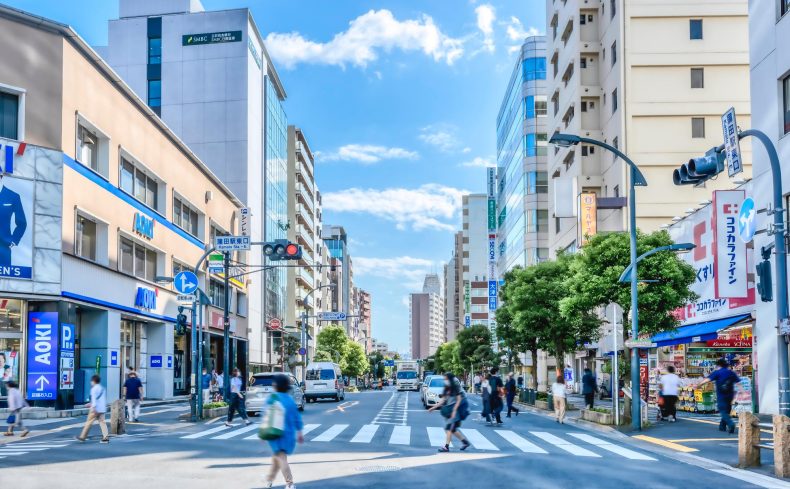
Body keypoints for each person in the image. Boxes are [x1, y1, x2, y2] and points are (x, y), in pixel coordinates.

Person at [263, 374, 304, 489]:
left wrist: (262, 434)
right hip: (289, 435)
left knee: (280, 457)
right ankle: (269, 480)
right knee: (279, 457)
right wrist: (300, 432)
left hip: (275, 434)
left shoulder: (272, 399)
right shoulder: (290, 400)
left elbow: (266, 416)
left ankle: (290, 483)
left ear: (276, 385)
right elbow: (297, 418)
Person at [428, 372, 470, 452]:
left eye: (446, 379)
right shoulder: (446, 388)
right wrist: (433, 408)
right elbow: (443, 400)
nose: (445, 380)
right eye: (444, 379)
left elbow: (459, 399)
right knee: (452, 429)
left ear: (449, 379)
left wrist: (454, 410)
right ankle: (465, 442)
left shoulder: (455, 387)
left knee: (449, 429)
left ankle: (446, 446)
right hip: (449, 411)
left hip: (454, 413)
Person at [699, 359, 739, 433]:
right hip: (730, 395)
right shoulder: (731, 372)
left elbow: (707, 380)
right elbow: (738, 383)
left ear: (718, 365)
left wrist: (698, 385)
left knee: (723, 411)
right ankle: (722, 426)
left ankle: (731, 424)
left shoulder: (717, 372)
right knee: (727, 411)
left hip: (721, 395)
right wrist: (743, 392)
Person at [77, 375, 109, 443]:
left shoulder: (93, 389)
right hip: (102, 409)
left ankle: (82, 437)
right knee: (102, 423)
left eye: (91, 381)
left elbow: (94, 400)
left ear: (93, 381)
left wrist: (93, 408)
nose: (91, 382)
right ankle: (106, 437)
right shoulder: (103, 388)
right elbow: (102, 399)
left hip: (95, 409)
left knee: (89, 422)